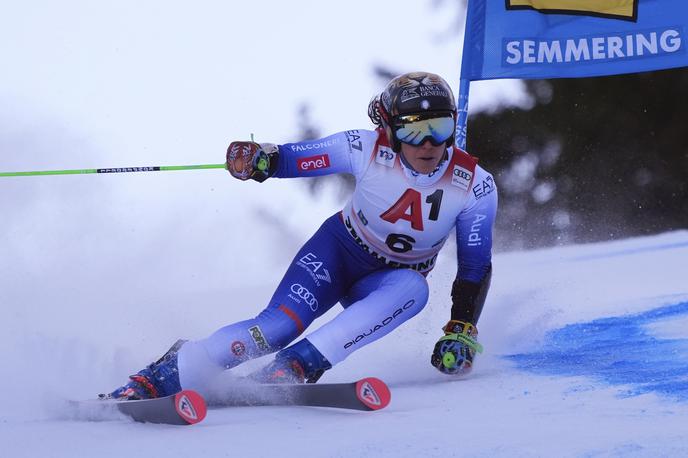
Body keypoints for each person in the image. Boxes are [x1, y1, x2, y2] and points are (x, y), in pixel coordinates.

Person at [105, 71, 497, 400]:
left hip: (386, 281)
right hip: (338, 253)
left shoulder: (475, 186)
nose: (428, 143)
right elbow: (298, 156)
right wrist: (261, 160)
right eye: (413, 131)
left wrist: (461, 330)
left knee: (414, 290)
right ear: (390, 130)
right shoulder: (363, 147)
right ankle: (167, 373)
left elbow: (475, 266)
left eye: (440, 127)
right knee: (277, 327)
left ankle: (296, 365)